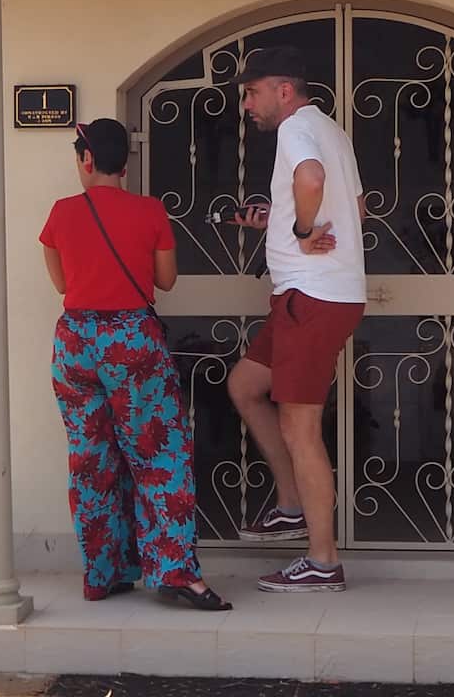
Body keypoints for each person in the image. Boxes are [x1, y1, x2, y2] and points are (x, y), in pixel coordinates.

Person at [39, 117, 231, 611]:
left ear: (86, 159)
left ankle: (103, 573)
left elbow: (62, 285)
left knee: (90, 459)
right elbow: (165, 280)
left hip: (76, 342)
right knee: (159, 454)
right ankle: (174, 571)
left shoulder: (61, 213)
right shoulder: (150, 211)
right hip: (132, 341)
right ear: (124, 165)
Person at [227, 45, 366, 593]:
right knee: (245, 385)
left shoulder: (295, 130)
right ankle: (289, 505)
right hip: (307, 297)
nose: (247, 104)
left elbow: (310, 180)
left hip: (312, 298)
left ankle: (323, 561)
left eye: (252, 92)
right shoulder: (332, 130)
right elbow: (355, 209)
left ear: (283, 90)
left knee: (299, 429)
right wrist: (283, 220)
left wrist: (304, 232)